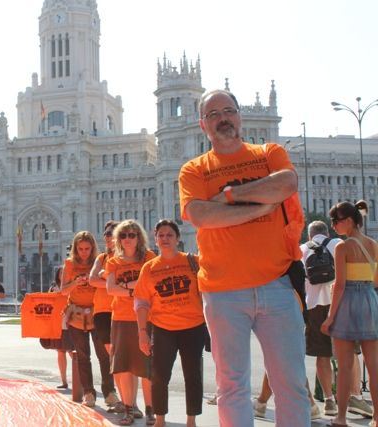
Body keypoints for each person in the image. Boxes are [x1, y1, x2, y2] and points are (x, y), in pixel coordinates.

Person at [178, 89, 310, 426]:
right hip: (223, 292)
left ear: (239, 116)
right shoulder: (193, 170)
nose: (223, 118)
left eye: (228, 110)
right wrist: (260, 206)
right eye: (213, 114)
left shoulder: (269, 153)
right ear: (202, 124)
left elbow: (285, 185)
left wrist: (231, 196)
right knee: (232, 387)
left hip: (277, 285)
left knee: (291, 386)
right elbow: (200, 215)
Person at [135, 219, 206, 427]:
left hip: (193, 326)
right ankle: (160, 419)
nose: (165, 239)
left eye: (170, 235)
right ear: (155, 240)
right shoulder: (149, 269)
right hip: (163, 328)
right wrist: (142, 332)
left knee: (192, 375)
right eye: (161, 235)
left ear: (178, 238)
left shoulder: (193, 262)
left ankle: (191, 420)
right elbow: (141, 302)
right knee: (159, 376)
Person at [321, 200, 378, 427]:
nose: (333, 225)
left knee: (344, 367)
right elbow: (375, 280)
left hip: (348, 303)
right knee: (374, 367)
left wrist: (330, 317)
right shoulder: (373, 244)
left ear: (349, 221)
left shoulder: (342, 247)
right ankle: (376, 417)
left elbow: (341, 285)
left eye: (336, 221)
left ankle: (341, 417)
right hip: (369, 300)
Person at [106, 219, 156, 425]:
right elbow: (110, 289)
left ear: (139, 237)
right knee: (124, 367)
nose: (127, 239)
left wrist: (124, 287)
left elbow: (151, 283)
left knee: (147, 368)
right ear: (118, 239)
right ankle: (128, 409)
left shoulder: (149, 258)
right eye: (123, 235)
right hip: (120, 318)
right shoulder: (113, 261)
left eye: (132, 235)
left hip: (146, 317)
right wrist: (134, 289)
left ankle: (151, 410)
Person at [301, 220, 342, 416]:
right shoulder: (337, 245)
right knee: (347, 354)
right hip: (339, 303)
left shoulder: (302, 249)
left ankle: (329, 401)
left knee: (322, 355)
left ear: (309, 235)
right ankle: (352, 396)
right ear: (327, 233)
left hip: (314, 306)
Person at [60, 231, 100, 407]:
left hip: (97, 313)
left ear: (93, 248)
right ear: (75, 249)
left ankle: (109, 391)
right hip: (76, 315)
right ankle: (88, 392)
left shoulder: (98, 262)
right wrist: (76, 282)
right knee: (83, 355)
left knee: (104, 354)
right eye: (80, 249)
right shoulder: (69, 264)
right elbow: (63, 290)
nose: (84, 252)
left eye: (87, 248)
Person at [89, 220, 122, 411]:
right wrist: (113, 284)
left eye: (113, 233)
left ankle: (127, 400)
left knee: (121, 357)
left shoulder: (128, 257)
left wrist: (107, 280)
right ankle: (112, 394)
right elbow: (93, 280)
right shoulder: (101, 258)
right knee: (108, 356)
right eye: (106, 234)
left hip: (122, 311)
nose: (109, 237)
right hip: (102, 311)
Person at [48, 266, 74, 389]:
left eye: (65, 273)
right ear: (57, 275)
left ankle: (81, 379)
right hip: (58, 325)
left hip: (71, 324)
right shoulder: (53, 288)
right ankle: (63, 381)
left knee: (73, 352)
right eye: (60, 273)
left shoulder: (72, 287)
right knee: (60, 352)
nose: (62, 275)